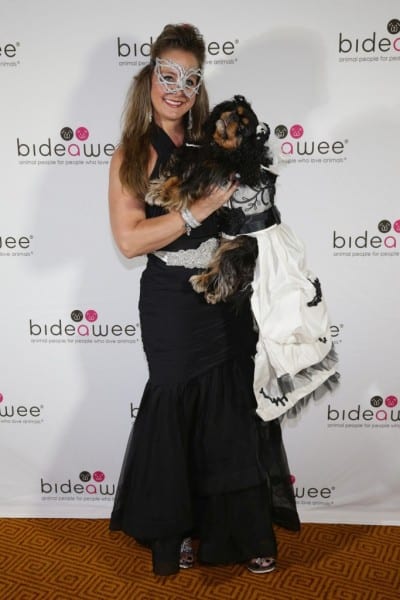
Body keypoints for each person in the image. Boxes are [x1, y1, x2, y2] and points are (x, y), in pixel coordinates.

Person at [108, 23, 300, 577]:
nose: (178, 88)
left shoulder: (212, 144)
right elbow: (128, 239)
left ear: (198, 88)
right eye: (168, 74)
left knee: (233, 414)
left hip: (226, 299)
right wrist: (194, 211)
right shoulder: (134, 152)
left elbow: (251, 218)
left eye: (190, 80)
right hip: (171, 304)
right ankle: (181, 530)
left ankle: (246, 531)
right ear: (150, 77)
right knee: (179, 417)